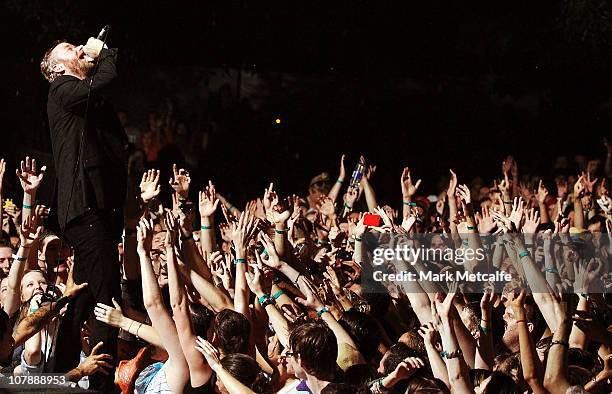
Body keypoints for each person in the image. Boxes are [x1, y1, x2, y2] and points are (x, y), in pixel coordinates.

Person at [40, 36, 128, 390]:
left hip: (96, 208)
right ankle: (102, 385)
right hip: (84, 208)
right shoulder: (62, 88)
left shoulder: (81, 98)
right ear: (57, 67)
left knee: (86, 295)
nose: (78, 48)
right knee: (107, 297)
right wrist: (102, 54)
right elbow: (101, 82)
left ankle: (58, 375)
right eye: (69, 49)